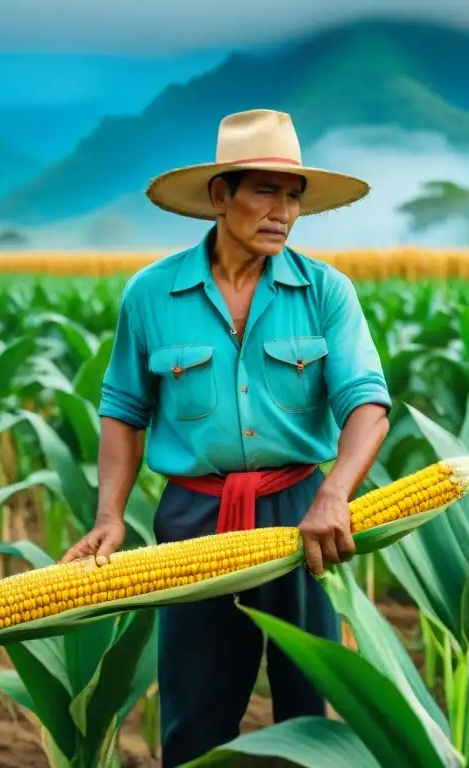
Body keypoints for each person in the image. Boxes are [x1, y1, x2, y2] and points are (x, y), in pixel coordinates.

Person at [60, 109, 392, 766]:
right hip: (194, 518)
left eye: (293, 196)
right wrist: (109, 516)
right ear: (220, 195)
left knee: (311, 707)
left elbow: (368, 404)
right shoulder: (152, 294)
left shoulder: (326, 291)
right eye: (266, 191)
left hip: (300, 515)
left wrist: (334, 494)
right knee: (194, 715)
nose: (283, 212)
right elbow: (124, 410)